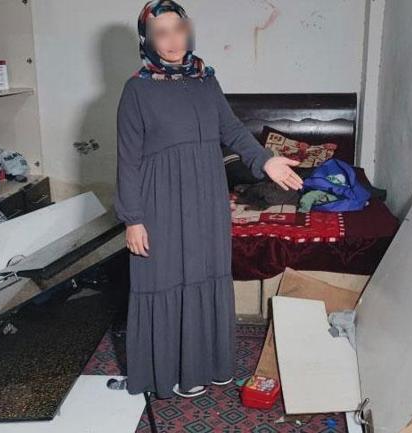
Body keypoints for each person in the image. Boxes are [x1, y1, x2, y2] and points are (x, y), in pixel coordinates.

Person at [114, 0, 303, 399]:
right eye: (161, 33)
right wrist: (133, 219)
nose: (172, 40)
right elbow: (127, 160)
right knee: (165, 279)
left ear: (188, 30)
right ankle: (167, 372)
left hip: (206, 197)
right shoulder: (136, 89)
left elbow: (232, 130)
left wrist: (265, 160)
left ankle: (207, 364)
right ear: (147, 39)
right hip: (161, 202)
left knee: (204, 274)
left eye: (178, 29)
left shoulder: (205, 80)